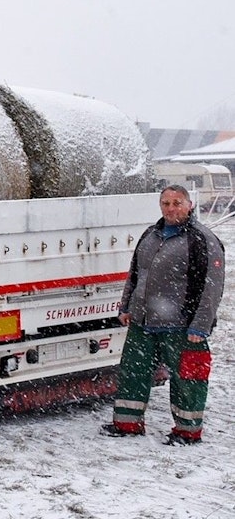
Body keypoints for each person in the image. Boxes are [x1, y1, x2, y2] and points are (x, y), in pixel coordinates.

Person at [101, 184, 225, 444]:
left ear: (189, 205)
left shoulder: (202, 239)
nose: (171, 208)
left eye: (177, 203)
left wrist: (200, 326)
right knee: (133, 374)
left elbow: (212, 287)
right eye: (166, 203)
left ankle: (187, 431)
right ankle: (127, 424)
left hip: (182, 326)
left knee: (187, 380)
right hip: (143, 322)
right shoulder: (151, 234)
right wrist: (126, 307)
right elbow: (135, 274)